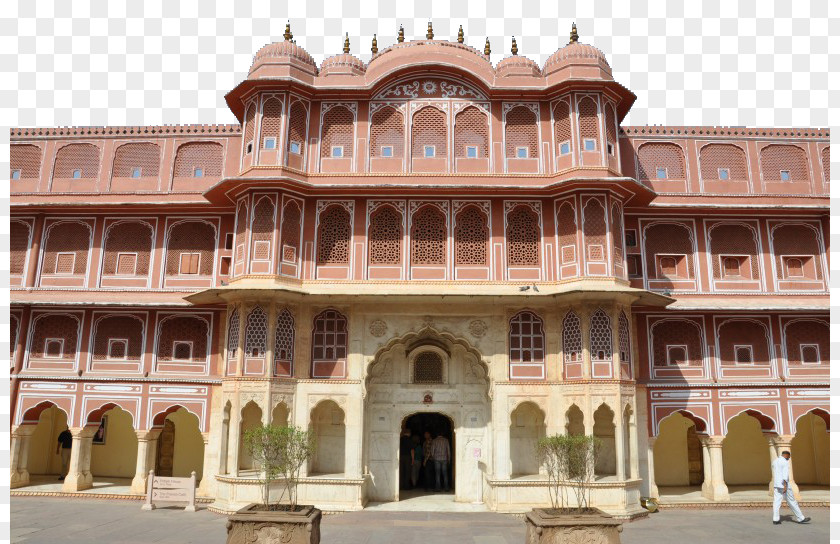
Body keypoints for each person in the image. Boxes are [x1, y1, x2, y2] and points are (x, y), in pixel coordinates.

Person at [771, 450, 810, 525]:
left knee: (776, 502)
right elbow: (785, 475)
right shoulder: (785, 462)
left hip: (776, 484)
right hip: (784, 485)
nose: (789, 458)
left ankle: (775, 519)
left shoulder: (775, 461)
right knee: (792, 501)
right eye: (789, 457)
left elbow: (776, 471)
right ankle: (801, 518)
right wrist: (785, 485)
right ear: (786, 455)